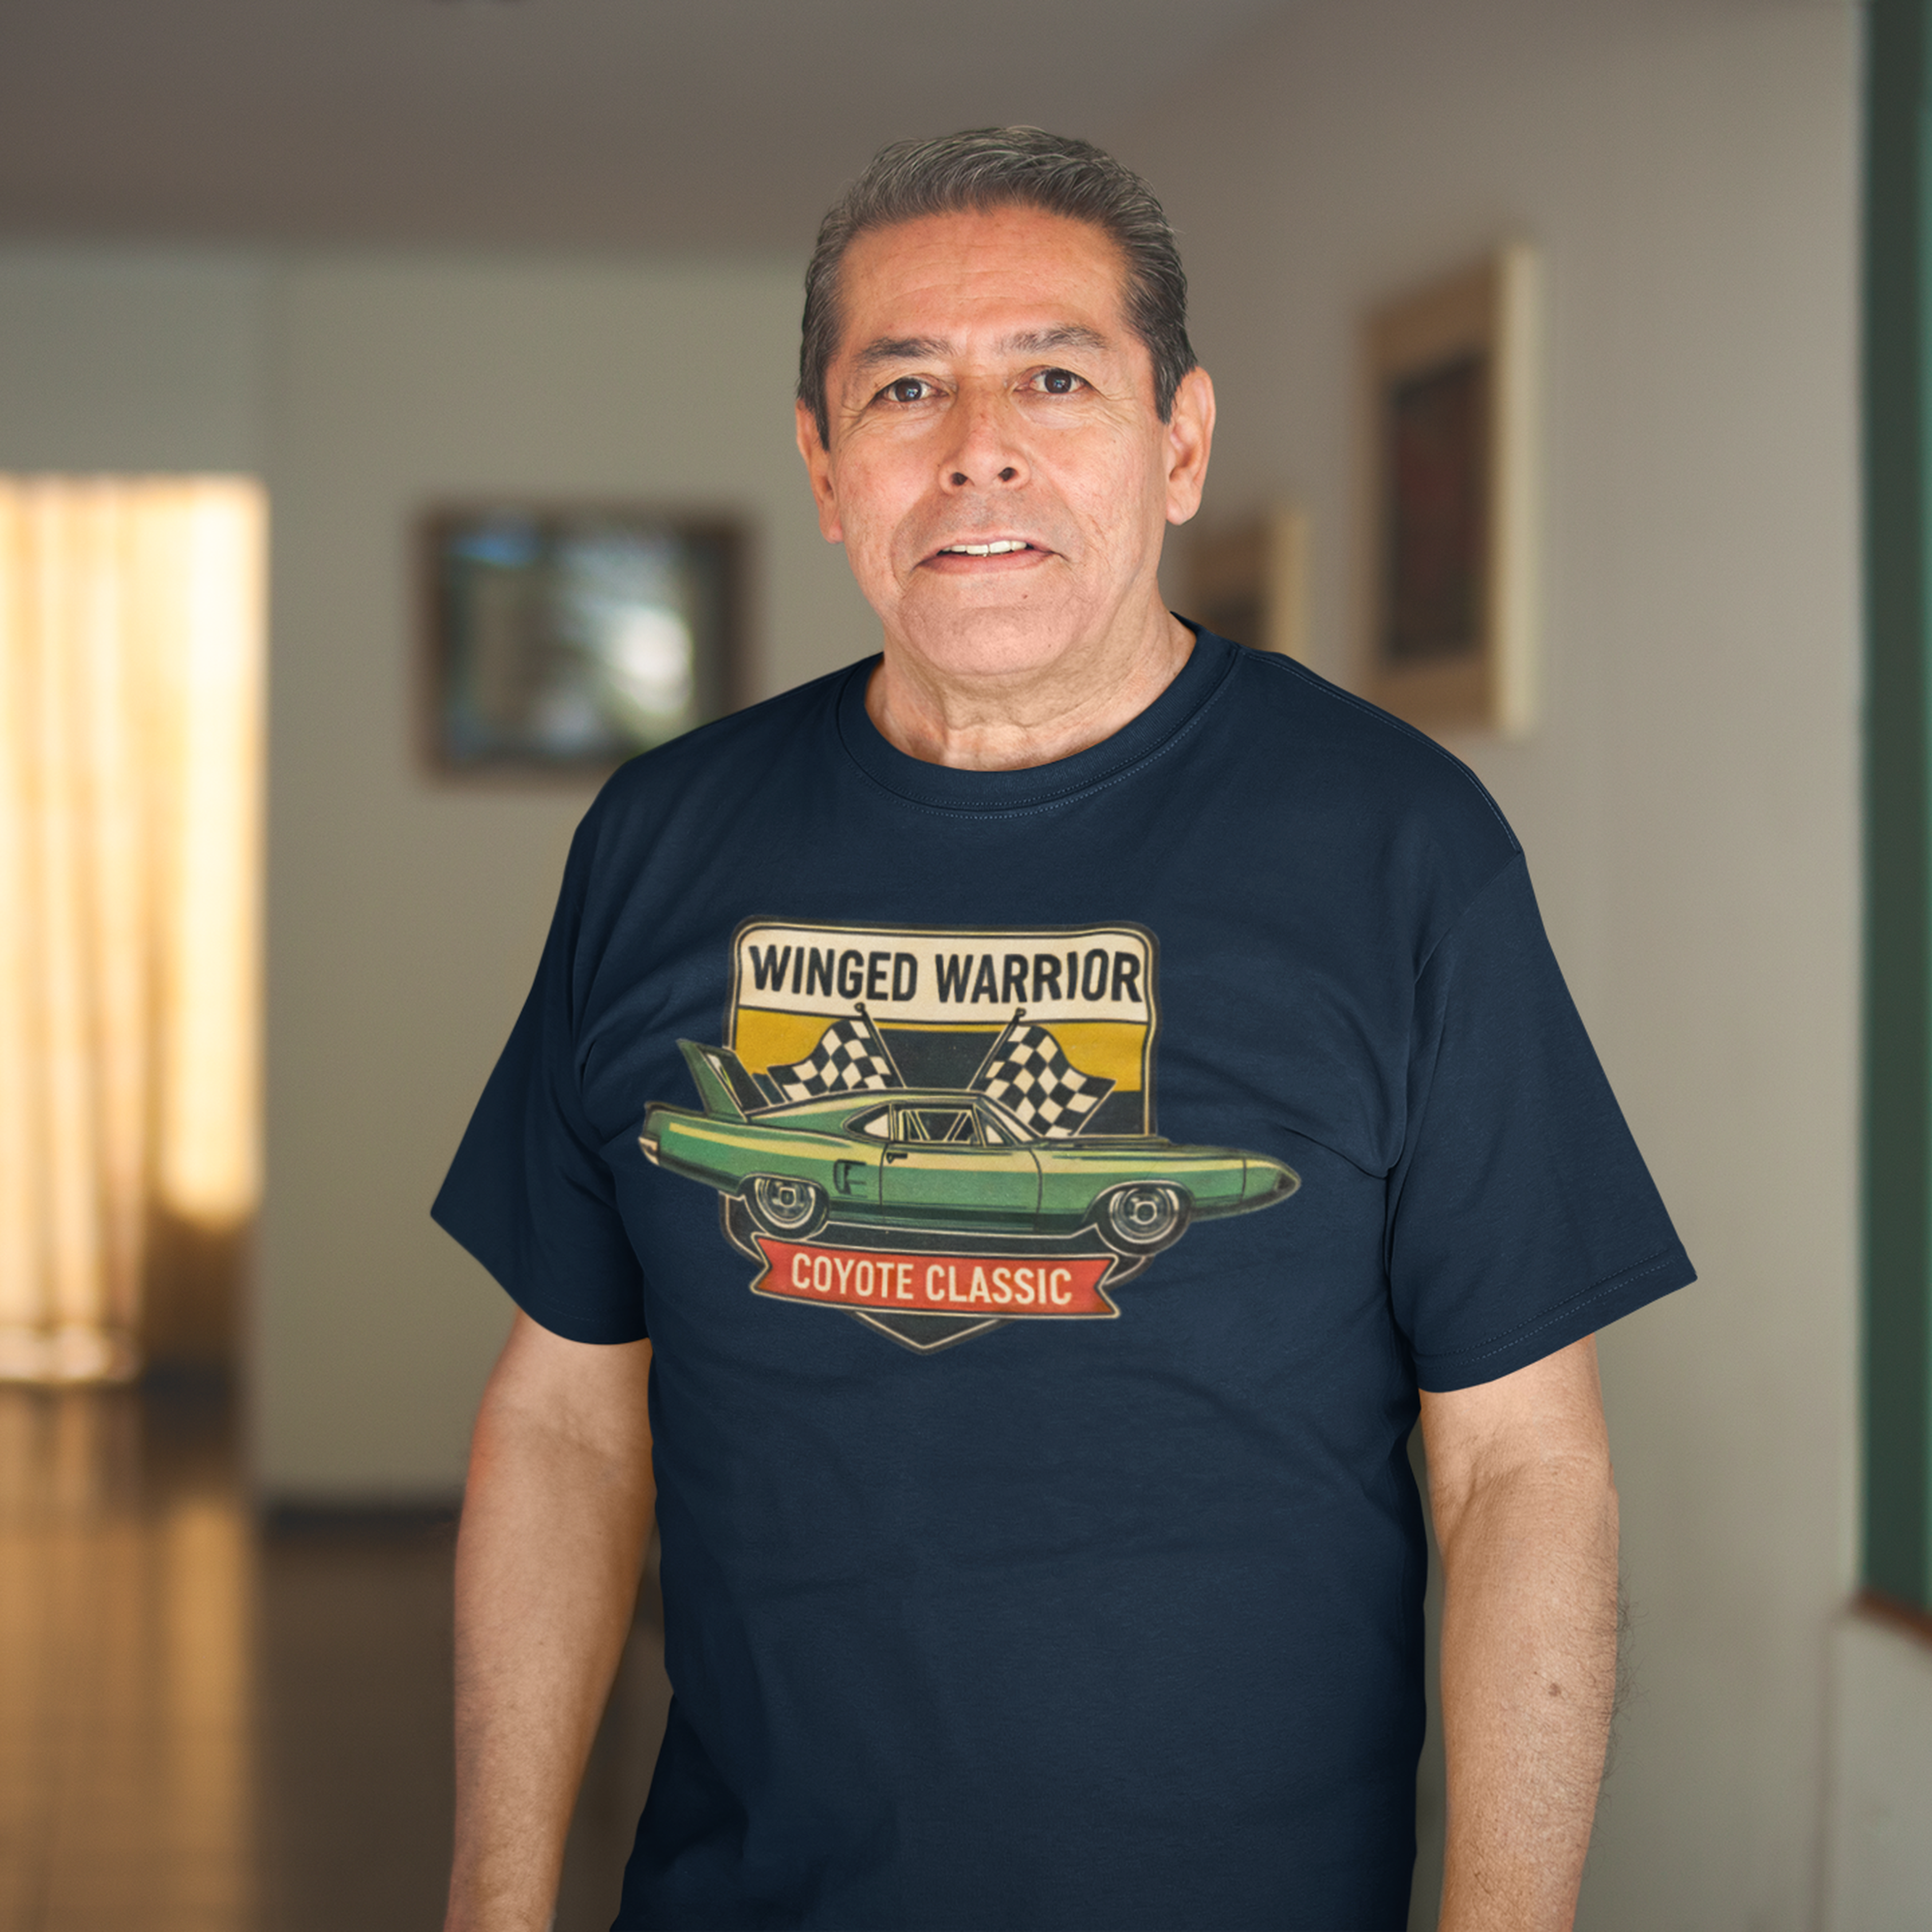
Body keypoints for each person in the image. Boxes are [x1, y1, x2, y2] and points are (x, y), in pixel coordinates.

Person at [434, 128, 1693, 1932]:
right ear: (824, 465)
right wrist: (492, 1904)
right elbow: (565, 1416)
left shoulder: (1399, 847)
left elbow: (1520, 1467)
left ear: (1178, 443)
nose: (979, 448)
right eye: (903, 388)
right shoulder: (659, 839)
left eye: (1054, 373)